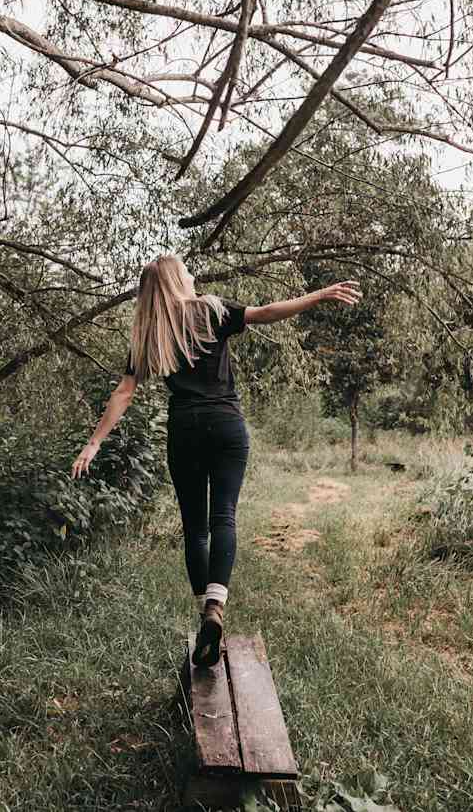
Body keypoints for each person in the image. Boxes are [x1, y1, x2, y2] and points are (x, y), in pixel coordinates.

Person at [70, 255, 360, 666]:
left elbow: (123, 393)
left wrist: (94, 443)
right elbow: (268, 313)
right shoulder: (210, 309)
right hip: (226, 426)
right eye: (186, 270)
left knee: (195, 528)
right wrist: (319, 295)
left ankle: (202, 614)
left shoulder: (149, 333)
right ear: (177, 280)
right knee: (224, 517)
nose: (191, 274)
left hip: (185, 430)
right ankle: (215, 610)